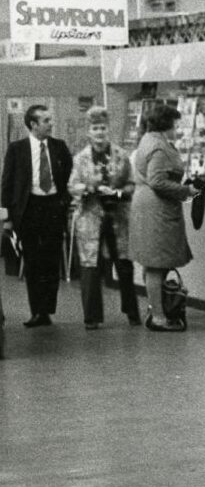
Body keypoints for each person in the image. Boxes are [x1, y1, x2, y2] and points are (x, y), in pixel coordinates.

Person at [130, 104, 203, 332]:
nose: (178, 128)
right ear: (167, 124)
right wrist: (185, 191)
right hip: (157, 209)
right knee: (157, 264)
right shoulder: (159, 147)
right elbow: (158, 181)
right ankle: (159, 317)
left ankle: (156, 309)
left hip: (147, 206)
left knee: (153, 262)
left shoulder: (147, 140)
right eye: (176, 123)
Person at [1, 104, 73, 327]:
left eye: (51, 119)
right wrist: (7, 217)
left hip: (53, 206)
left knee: (52, 260)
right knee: (32, 260)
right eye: (46, 120)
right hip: (28, 208)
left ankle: (47, 309)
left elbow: (69, 176)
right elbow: (7, 182)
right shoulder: (17, 149)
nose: (51, 124)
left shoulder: (59, 147)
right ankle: (36, 311)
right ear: (33, 124)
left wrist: (65, 203)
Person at [69, 106, 140, 328]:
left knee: (124, 264)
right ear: (88, 132)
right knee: (90, 266)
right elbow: (72, 185)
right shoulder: (80, 158)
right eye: (95, 128)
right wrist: (89, 188)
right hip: (90, 216)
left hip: (118, 216)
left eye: (102, 128)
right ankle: (92, 317)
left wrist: (117, 192)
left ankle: (132, 311)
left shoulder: (121, 155)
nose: (99, 132)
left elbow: (131, 184)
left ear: (108, 130)